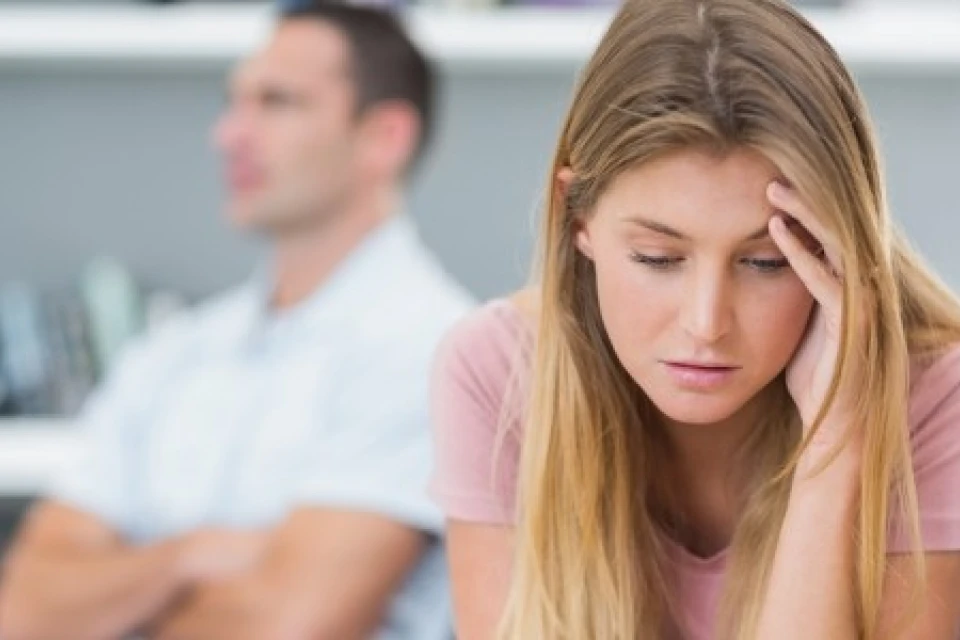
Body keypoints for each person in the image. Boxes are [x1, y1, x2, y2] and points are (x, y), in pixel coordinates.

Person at [429, 0, 960, 638]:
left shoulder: (937, 393)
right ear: (578, 219)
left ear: (838, 248)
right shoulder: (498, 370)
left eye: (765, 263)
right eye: (658, 258)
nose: (707, 324)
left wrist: (835, 441)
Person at [0, 2, 472, 639]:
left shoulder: (434, 354)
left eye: (277, 102)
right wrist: (186, 556)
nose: (229, 134)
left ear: (384, 136)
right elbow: (23, 609)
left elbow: (286, 627)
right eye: (235, 102)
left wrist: (119, 595)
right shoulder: (175, 351)